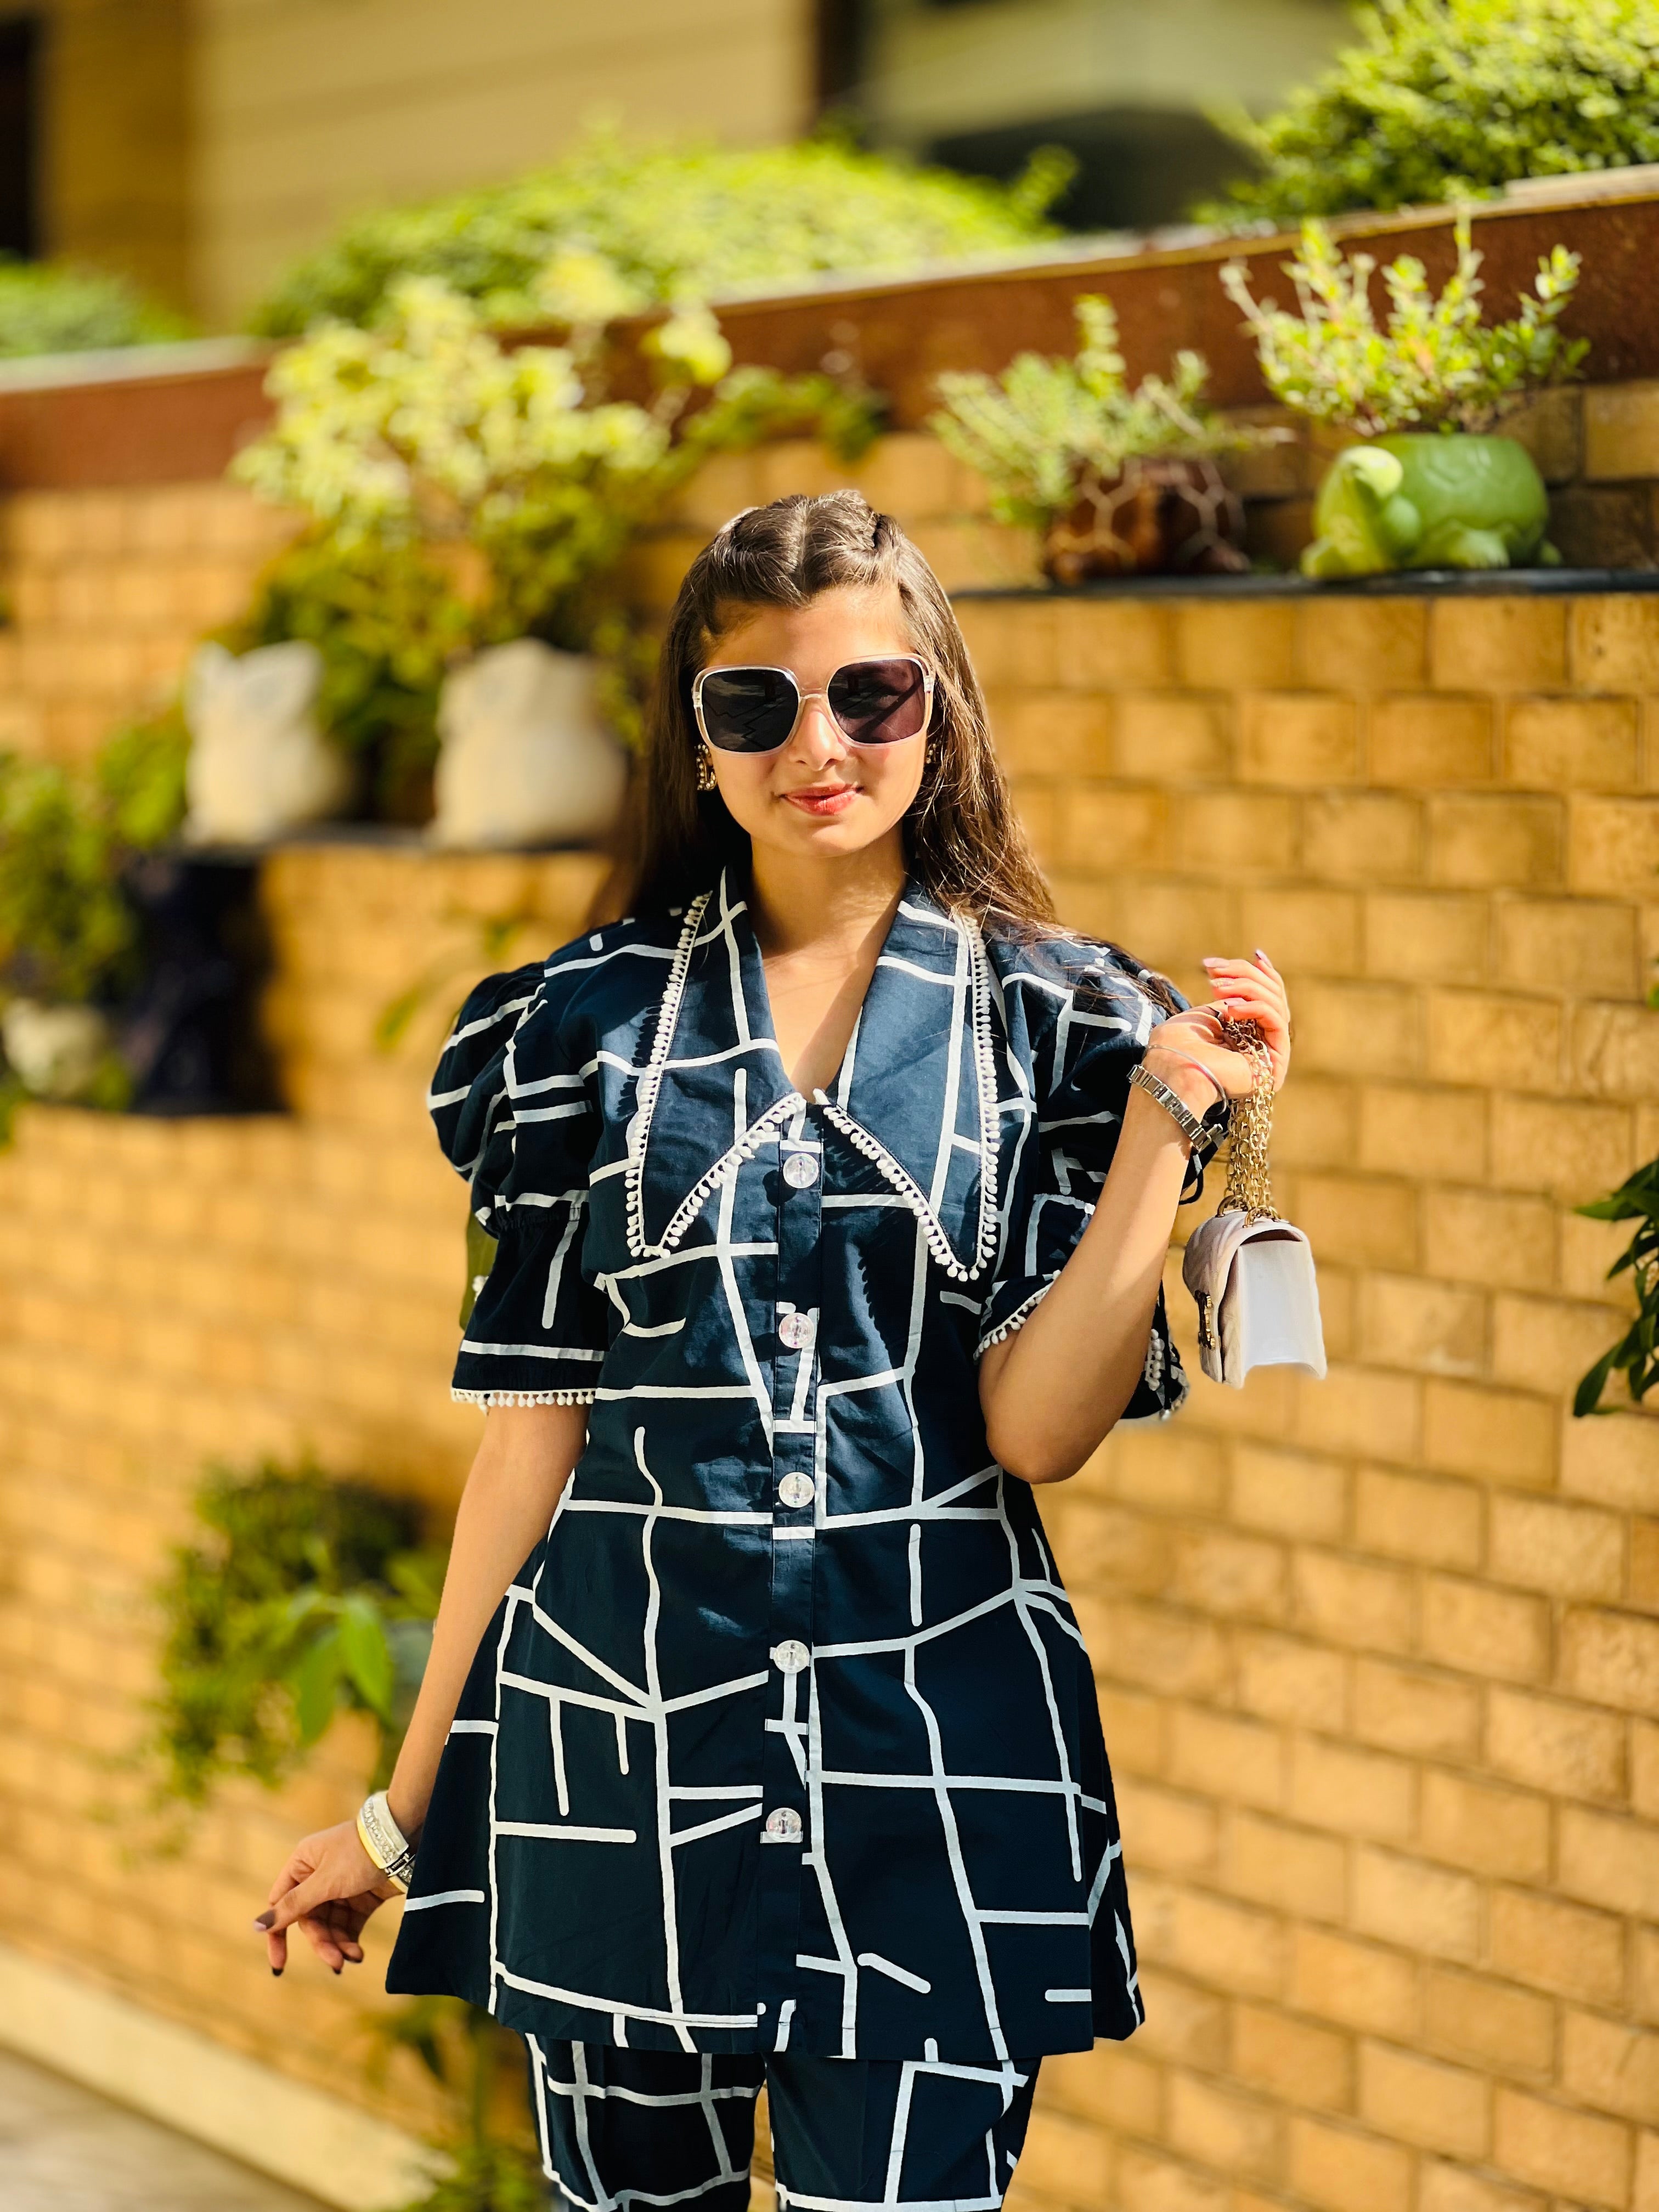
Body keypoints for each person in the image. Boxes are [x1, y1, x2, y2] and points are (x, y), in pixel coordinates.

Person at [256, 493, 1292, 2212]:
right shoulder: (568, 1036)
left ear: (936, 703)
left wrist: (1166, 1130)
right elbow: (531, 1449)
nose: (819, 745)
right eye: (759, 708)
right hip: (609, 1762)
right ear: (701, 739)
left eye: (869, 695)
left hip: (943, 1761)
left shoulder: (1067, 1026)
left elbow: (1036, 1434)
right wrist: (402, 1810)